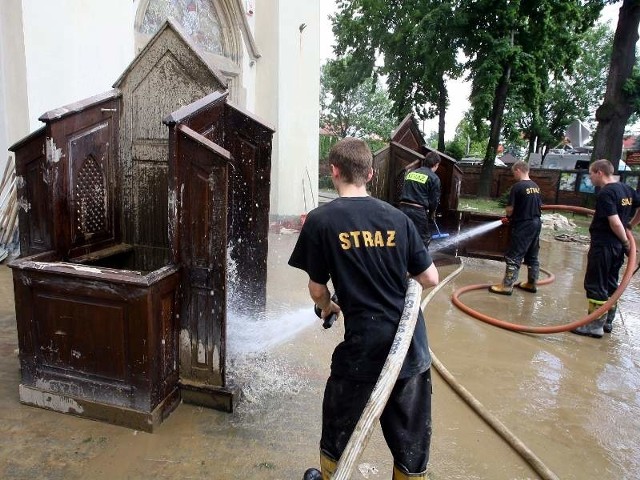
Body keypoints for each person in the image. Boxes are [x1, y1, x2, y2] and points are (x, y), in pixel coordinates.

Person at [288, 137, 439, 480]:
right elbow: (429, 277)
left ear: (333, 171)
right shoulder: (398, 219)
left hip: (362, 352)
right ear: (370, 173)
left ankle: (329, 476)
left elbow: (316, 289)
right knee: (410, 444)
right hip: (410, 349)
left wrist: (328, 306)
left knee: (339, 430)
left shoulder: (321, 220)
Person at [572, 159, 640, 338]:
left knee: (596, 283)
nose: (590, 178)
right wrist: (631, 226)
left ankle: (594, 325)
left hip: (604, 245)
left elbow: (615, 222)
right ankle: (607, 322)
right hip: (616, 247)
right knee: (611, 283)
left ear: (599, 172)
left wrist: (626, 240)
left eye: (591, 174)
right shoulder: (626, 189)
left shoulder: (606, 193)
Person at [489, 160, 542, 295]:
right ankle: (532, 283)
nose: (513, 176)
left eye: (514, 173)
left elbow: (510, 209)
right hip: (536, 223)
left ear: (518, 170)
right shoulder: (535, 186)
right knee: (532, 256)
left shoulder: (517, 187)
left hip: (523, 224)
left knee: (514, 255)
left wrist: (508, 216)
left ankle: (507, 286)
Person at [398, 151, 442, 249]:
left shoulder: (411, 173)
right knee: (423, 239)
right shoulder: (434, 178)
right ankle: (421, 263)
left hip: (402, 209)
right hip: (417, 211)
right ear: (436, 164)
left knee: (403, 236)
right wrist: (432, 213)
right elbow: (434, 200)